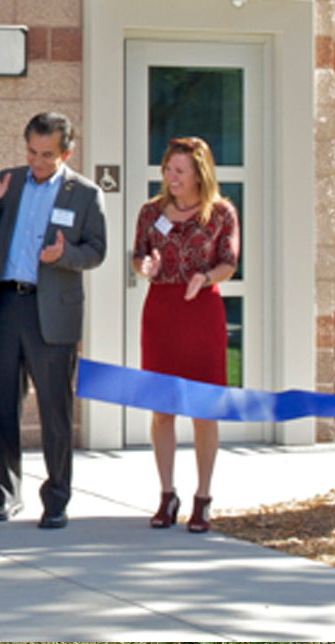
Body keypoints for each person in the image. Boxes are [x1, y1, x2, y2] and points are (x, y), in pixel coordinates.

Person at [0, 112, 107, 529]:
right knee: (3, 405)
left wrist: (64, 255)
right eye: (31, 151)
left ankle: (56, 498)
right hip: (6, 305)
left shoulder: (84, 193)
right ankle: (6, 493)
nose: (36, 160)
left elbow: (97, 251)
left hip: (52, 310)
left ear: (66, 152)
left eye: (46, 154)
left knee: (55, 409)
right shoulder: (11, 181)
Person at [132, 136, 239, 534]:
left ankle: (203, 497)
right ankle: (166, 494)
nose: (170, 177)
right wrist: (146, 266)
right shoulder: (150, 211)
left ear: (199, 173)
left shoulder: (221, 213)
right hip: (161, 311)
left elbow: (229, 262)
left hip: (201, 311)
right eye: (167, 169)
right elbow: (138, 254)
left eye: (179, 171)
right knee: (162, 409)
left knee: (203, 409)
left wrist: (203, 277)